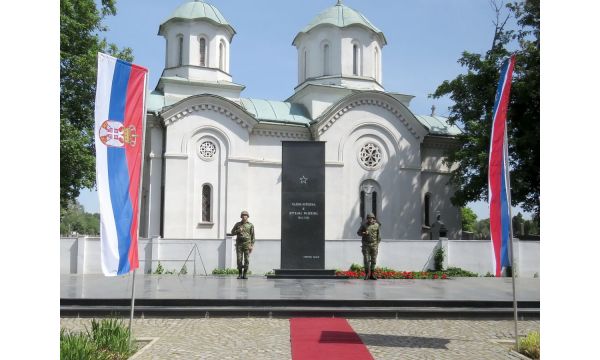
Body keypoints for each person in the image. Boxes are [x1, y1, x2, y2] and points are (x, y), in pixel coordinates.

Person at [230, 210, 255, 279]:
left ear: (247, 217)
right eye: (243, 215)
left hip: (247, 244)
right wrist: (238, 231)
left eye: (246, 215)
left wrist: (251, 245)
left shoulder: (250, 225)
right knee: (239, 259)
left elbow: (252, 236)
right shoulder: (238, 224)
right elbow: (232, 232)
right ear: (241, 216)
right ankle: (240, 274)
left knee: (246, 259)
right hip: (239, 244)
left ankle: (245, 274)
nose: (244, 216)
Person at [357, 213, 381, 280]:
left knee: (374, 260)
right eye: (369, 218)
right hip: (366, 245)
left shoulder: (376, 225)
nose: (370, 219)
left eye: (372, 218)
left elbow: (379, 236)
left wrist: (377, 244)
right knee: (366, 260)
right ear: (367, 219)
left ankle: (372, 274)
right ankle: (367, 273)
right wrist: (363, 233)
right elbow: (358, 232)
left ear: (373, 218)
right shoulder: (364, 225)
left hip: (374, 245)